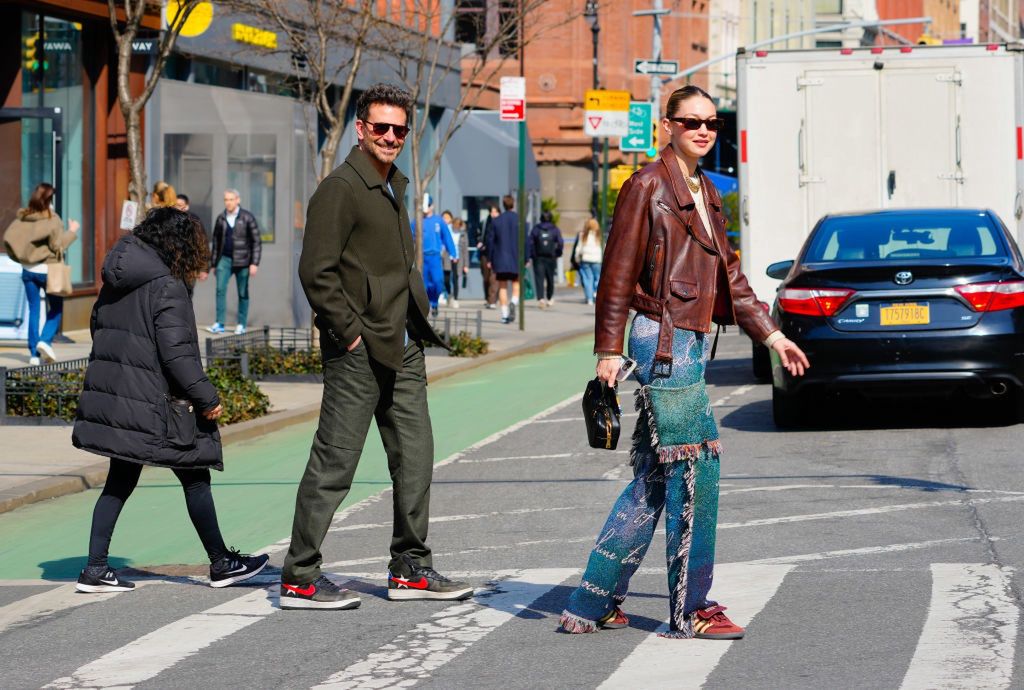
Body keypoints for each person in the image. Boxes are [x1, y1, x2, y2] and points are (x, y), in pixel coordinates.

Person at [559, 86, 810, 639]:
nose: (702, 130)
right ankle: (691, 608)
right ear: (667, 126)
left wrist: (773, 337)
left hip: (691, 342)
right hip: (662, 342)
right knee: (698, 465)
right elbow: (617, 274)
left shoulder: (708, 192)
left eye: (711, 123)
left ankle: (591, 599)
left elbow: (733, 280)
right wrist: (608, 349)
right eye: (691, 121)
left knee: (655, 478)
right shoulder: (647, 186)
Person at [282, 83, 472, 610]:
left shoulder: (392, 184)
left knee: (416, 456)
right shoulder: (341, 188)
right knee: (335, 462)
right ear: (360, 129)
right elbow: (315, 272)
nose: (390, 136)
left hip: (403, 344)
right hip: (359, 348)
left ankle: (411, 568)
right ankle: (300, 576)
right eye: (380, 127)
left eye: (399, 129)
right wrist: (350, 333)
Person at [71, 206, 269, 593]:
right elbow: (176, 354)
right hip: (156, 401)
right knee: (195, 475)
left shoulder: (119, 275)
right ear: (179, 244)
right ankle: (220, 563)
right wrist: (207, 397)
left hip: (125, 397)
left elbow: (99, 325)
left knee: (120, 480)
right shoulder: (167, 285)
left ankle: (95, 568)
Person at [3, 183, 79, 365]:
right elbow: (58, 245)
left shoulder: (22, 217)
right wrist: (73, 230)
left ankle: (33, 354)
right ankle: (44, 341)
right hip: (48, 270)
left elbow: (9, 239)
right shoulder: (52, 219)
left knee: (34, 310)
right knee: (57, 308)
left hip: (28, 271)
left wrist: (20, 259)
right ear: (50, 200)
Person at [207, 189, 261, 335]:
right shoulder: (221, 218)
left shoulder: (247, 217)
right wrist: (213, 263)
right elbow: (216, 242)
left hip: (243, 261)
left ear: (238, 200)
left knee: (243, 292)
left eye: (231, 199)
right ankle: (219, 323)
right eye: (226, 199)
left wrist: (254, 263)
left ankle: (241, 324)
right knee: (220, 290)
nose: (228, 202)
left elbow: (256, 241)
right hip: (224, 260)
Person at [414, 196, 457, 317]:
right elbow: (409, 235)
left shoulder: (439, 221)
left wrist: (453, 253)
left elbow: (447, 237)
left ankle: (434, 302)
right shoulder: (417, 221)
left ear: (432, 206)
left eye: (428, 206)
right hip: (422, 258)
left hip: (435, 257)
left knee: (438, 282)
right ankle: (427, 306)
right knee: (425, 284)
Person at [484, 195, 520, 324]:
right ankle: (514, 302)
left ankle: (505, 315)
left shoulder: (497, 221)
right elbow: (526, 242)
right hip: (516, 258)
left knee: (502, 286)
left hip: (500, 258)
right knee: (516, 284)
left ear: (503, 205)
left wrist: (490, 258)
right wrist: (526, 258)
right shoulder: (519, 220)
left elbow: (490, 241)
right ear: (513, 204)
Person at [526, 210, 564, 309]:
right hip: (551, 257)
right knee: (550, 278)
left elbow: (530, 243)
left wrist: (531, 255)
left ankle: (541, 299)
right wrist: (557, 253)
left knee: (539, 278)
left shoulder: (536, 229)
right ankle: (550, 298)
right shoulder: (555, 229)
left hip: (538, 257)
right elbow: (560, 243)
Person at [175, 193, 210, 281]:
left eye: (180, 205)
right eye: (175, 205)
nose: (177, 208)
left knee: (187, 291)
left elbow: (203, 242)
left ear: (186, 206)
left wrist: (204, 268)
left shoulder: (194, 220)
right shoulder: (170, 221)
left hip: (190, 264)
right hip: (174, 264)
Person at [440, 210, 469, 309]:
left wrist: (466, 265)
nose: (456, 228)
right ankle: (449, 294)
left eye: (458, 226)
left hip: (458, 259)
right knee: (446, 279)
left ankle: (455, 299)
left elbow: (465, 250)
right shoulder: (447, 230)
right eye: (455, 226)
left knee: (456, 279)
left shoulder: (463, 234)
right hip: (448, 257)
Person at [573, 218, 604, 305]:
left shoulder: (583, 235)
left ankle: (589, 298)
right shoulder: (598, 235)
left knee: (587, 279)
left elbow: (578, 248)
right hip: (597, 259)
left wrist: (576, 258)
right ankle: (595, 293)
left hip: (585, 259)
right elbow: (603, 247)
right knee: (597, 278)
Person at [478, 205, 500, 309]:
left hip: (496, 254)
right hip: (485, 254)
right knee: (486, 278)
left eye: (495, 212)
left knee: (494, 278)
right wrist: (479, 242)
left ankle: (493, 300)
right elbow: (478, 234)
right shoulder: (485, 223)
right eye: (492, 212)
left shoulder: (501, 224)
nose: (493, 214)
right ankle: (488, 298)